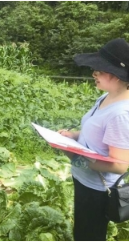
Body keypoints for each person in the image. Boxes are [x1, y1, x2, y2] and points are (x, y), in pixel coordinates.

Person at [58, 38, 129, 241]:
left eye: (98, 70)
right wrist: (72, 136)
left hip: (97, 189)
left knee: (89, 234)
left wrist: (77, 156)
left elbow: (119, 165)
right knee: (82, 228)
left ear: (115, 75)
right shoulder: (106, 97)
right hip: (84, 178)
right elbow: (95, 131)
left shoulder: (121, 114)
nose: (93, 74)